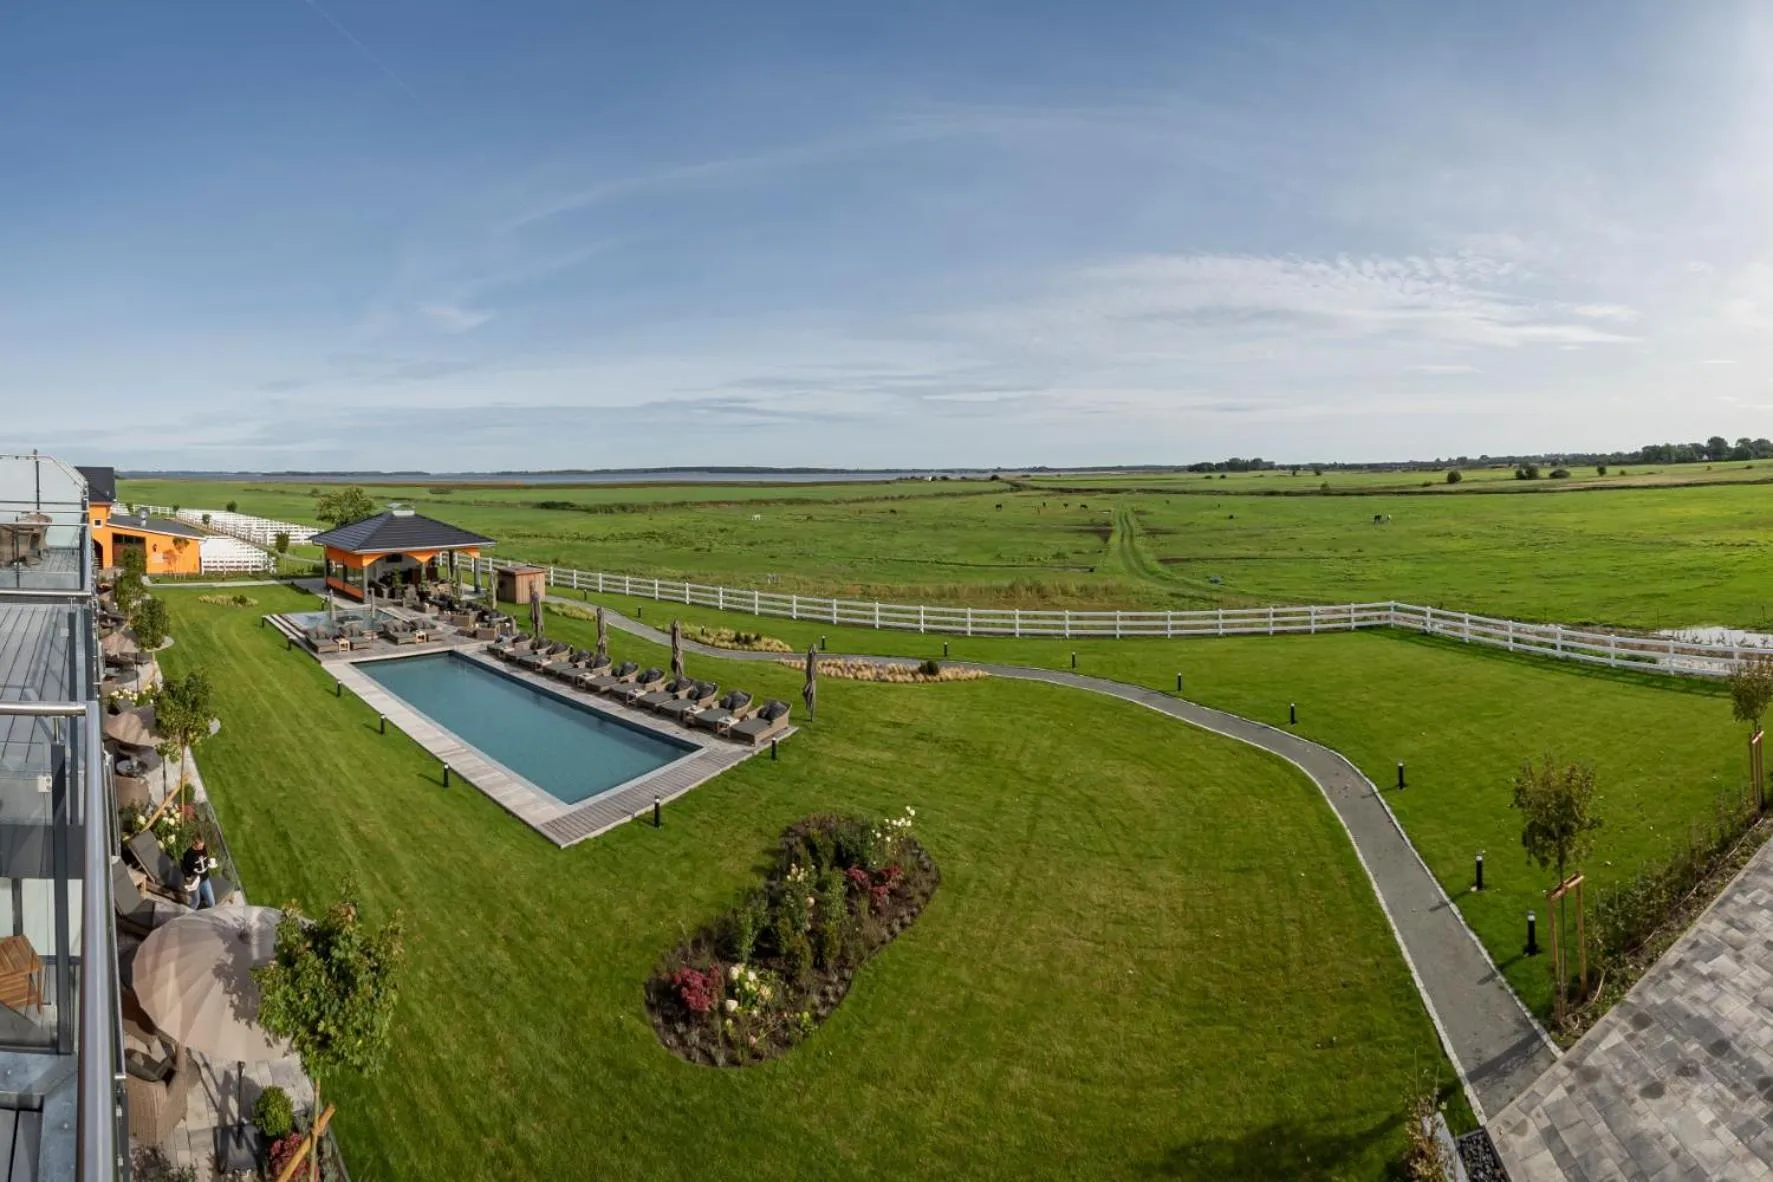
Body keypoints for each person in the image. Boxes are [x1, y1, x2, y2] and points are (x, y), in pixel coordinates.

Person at [180, 835, 217, 910]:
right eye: (200, 846)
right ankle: (188, 916)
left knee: (212, 902)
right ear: (195, 843)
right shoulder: (189, 854)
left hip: (205, 879)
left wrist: (209, 863)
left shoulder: (203, 848)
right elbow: (184, 867)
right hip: (195, 882)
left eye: (203, 845)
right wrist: (188, 877)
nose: (202, 848)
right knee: (196, 902)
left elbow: (205, 859)